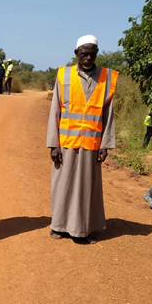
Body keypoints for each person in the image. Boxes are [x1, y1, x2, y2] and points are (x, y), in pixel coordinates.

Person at [46, 35, 119, 244]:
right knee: (62, 185)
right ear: (76, 53)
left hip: (91, 143)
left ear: (97, 53)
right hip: (66, 144)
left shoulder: (106, 78)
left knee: (87, 188)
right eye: (83, 53)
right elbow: (55, 111)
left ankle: (82, 230)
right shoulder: (64, 75)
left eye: (92, 53)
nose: (87, 58)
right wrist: (53, 144)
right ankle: (58, 226)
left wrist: (105, 145)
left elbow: (108, 114)